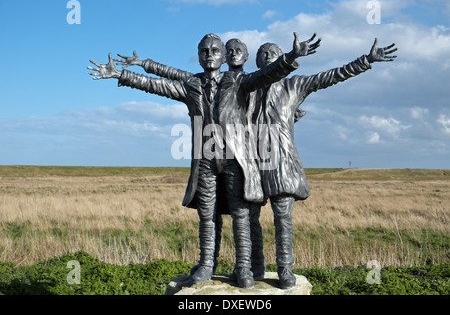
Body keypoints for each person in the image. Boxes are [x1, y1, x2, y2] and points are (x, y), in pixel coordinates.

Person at [87, 32, 313, 288]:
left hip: (234, 158)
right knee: (207, 214)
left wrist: (292, 56)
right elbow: (156, 85)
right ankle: (206, 264)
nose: (209, 55)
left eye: (214, 51)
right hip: (205, 159)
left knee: (241, 213)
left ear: (223, 55)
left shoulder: (237, 82)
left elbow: (266, 75)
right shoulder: (191, 85)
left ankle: (244, 269)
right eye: (204, 51)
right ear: (198, 56)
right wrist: (121, 75)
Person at [249, 37, 397, 289]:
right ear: (256, 61)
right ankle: (256, 265)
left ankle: (285, 268)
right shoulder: (248, 89)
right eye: (262, 53)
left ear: (281, 57)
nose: (266, 56)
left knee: (282, 217)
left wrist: (366, 60)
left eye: (272, 52)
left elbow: (331, 76)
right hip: (251, 162)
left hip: (282, 164)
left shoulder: (294, 85)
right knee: (249, 215)